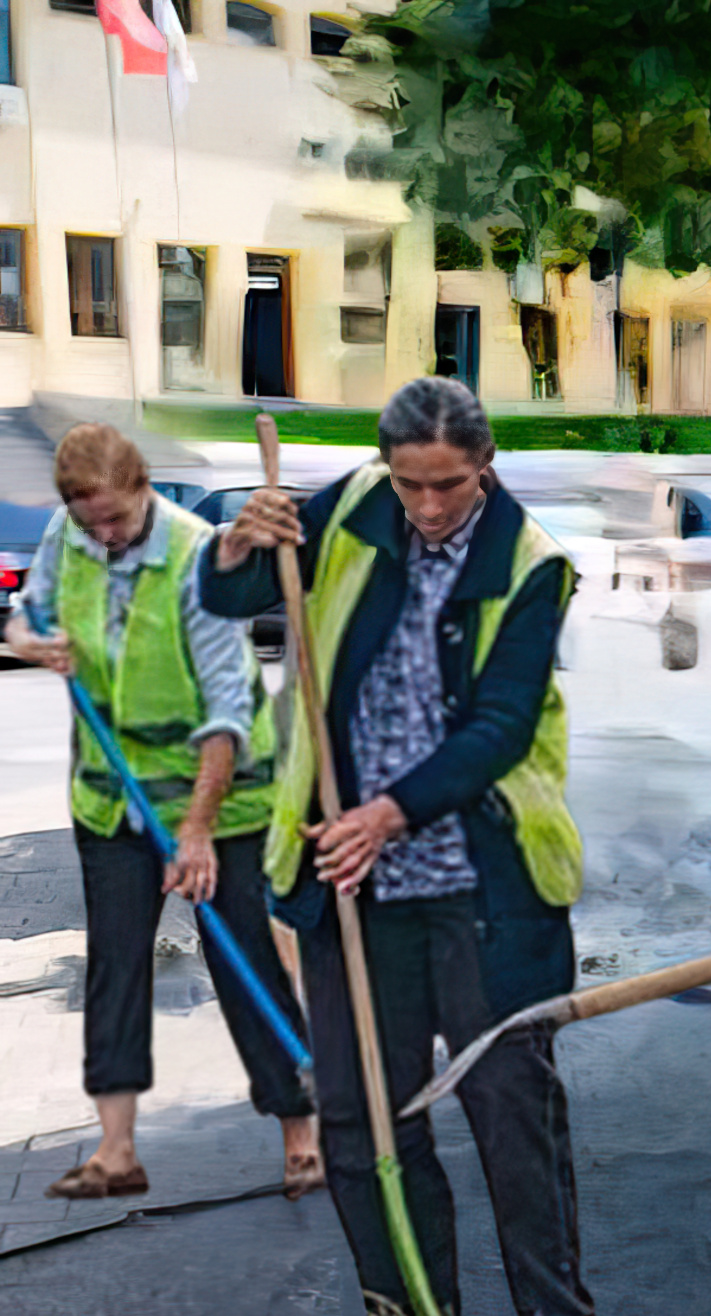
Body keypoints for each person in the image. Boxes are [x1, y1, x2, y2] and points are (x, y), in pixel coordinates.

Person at [203, 376, 595, 1316]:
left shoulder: (530, 563)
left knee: (512, 1120)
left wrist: (386, 813)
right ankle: (412, 1305)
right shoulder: (349, 508)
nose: (426, 506)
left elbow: (499, 726)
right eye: (410, 482)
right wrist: (239, 538)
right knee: (360, 1120)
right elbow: (229, 593)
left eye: (448, 485)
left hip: (486, 894)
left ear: (485, 467)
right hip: (355, 892)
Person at [2, 424, 321, 1202]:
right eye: (90, 522)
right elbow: (23, 619)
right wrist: (35, 642)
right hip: (111, 797)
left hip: (220, 795)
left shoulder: (197, 559)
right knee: (116, 964)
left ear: (143, 488)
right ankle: (116, 1151)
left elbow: (225, 714)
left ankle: (302, 1136)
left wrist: (197, 833)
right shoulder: (68, 534)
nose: (103, 536)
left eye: (114, 519)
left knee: (241, 958)